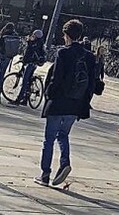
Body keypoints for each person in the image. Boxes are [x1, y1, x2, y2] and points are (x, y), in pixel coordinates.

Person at [35, 18, 96, 188]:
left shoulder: (63, 53)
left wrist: (49, 95)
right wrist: (84, 102)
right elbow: (92, 83)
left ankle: (45, 174)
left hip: (59, 102)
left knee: (49, 139)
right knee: (63, 135)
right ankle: (64, 163)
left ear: (66, 35)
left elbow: (56, 78)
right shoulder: (90, 57)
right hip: (75, 104)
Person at [16, 29, 46, 105]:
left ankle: (19, 98)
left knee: (25, 81)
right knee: (28, 80)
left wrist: (29, 42)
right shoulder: (40, 43)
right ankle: (25, 99)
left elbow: (30, 51)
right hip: (34, 63)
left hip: (31, 63)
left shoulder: (34, 43)